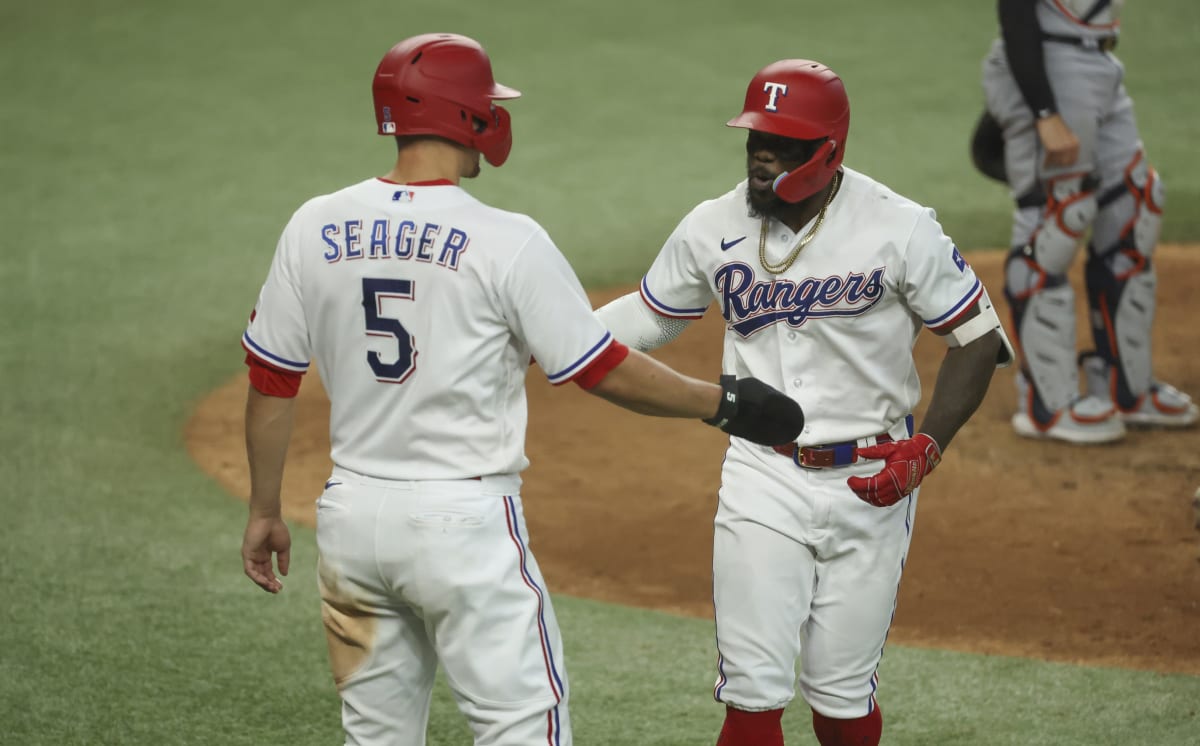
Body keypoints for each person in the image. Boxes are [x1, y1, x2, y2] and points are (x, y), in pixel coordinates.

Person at [237, 33, 803, 746]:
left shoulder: (312, 225)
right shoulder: (507, 240)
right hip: (463, 530)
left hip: (350, 521)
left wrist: (264, 509)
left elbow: (271, 380)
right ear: (466, 117)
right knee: (524, 733)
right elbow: (601, 369)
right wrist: (723, 404)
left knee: (375, 739)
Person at [595, 59, 1012, 746]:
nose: (763, 157)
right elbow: (654, 313)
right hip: (763, 474)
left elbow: (975, 338)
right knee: (753, 695)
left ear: (828, 152)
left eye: (782, 145)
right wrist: (551, 338)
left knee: (844, 701)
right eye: (757, 140)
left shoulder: (899, 227)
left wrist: (926, 449)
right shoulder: (713, 225)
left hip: (874, 478)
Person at [976, 0, 1197, 443]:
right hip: (1052, 68)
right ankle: (1047, 403)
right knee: (1056, 220)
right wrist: (1042, 111)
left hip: (1099, 60)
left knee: (1135, 204)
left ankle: (1125, 386)